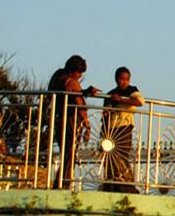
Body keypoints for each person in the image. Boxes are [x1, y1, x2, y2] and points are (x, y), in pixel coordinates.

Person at [47, 55, 98, 189]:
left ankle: (60, 183)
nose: (80, 76)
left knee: (65, 152)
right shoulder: (71, 81)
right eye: (79, 72)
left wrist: (84, 92)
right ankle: (62, 184)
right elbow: (78, 101)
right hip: (71, 119)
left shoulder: (57, 76)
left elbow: (70, 94)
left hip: (59, 117)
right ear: (73, 70)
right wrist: (87, 124)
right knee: (70, 154)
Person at [101, 67, 143, 193]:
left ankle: (126, 183)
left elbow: (140, 102)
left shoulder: (131, 90)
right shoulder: (111, 93)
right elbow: (105, 113)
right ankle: (111, 183)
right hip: (111, 128)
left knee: (121, 154)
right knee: (109, 155)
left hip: (124, 126)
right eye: (121, 79)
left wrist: (121, 99)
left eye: (127, 79)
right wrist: (103, 131)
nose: (124, 82)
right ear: (116, 79)